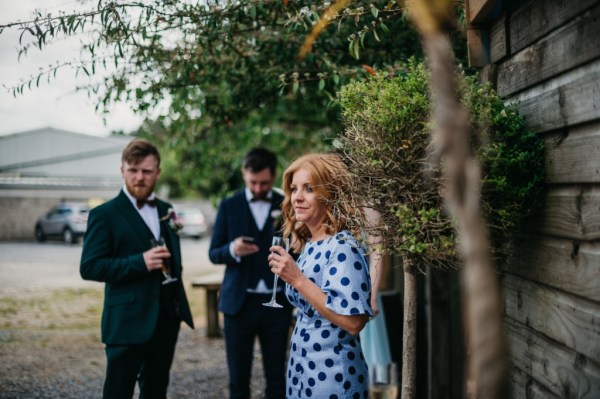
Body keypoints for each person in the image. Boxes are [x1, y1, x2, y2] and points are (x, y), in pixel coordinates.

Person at [80, 138, 194, 399]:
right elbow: (89, 267)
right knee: (118, 392)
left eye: (146, 171)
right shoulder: (104, 214)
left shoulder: (167, 210)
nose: (139, 177)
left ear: (158, 172)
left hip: (166, 320)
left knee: (156, 391)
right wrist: (139, 262)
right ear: (122, 170)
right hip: (126, 321)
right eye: (133, 170)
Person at [267, 153, 373, 398]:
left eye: (309, 188)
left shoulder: (343, 246)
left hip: (332, 372)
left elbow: (354, 322)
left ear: (330, 193)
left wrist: (297, 280)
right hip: (303, 366)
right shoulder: (310, 244)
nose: (297, 197)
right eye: (294, 189)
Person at [209, 147, 293, 399]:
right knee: (238, 379)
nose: (258, 189)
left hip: (277, 304)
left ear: (274, 175)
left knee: (278, 377)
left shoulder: (287, 204)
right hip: (238, 304)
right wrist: (232, 249)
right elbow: (214, 253)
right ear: (244, 173)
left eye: (264, 183)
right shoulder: (228, 205)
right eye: (253, 182)